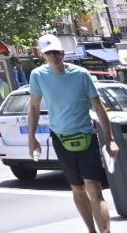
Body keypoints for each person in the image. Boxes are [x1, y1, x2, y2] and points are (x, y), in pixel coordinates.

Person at [26, 34, 118, 233]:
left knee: (94, 188)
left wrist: (110, 140)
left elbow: (99, 108)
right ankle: (91, 230)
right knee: (77, 188)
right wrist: (31, 138)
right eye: (48, 53)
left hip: (86, 136)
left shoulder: (81, 74)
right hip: (60, 138)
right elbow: (33, 107)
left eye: (56, 52)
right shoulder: (38, 76)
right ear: (43, 55)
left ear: (63, 52)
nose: (53, 56)